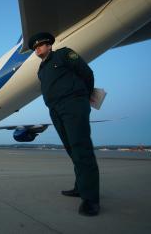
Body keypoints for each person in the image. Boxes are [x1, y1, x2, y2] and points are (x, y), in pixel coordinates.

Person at [30, 32, 100, 216]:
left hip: (73, 104)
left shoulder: (64, 54)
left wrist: (84, 96)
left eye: (41, 45)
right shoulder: (41, 69)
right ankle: (80, 187)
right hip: (55, 109)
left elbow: (87, 73)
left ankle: (91, 199)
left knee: (81, 147)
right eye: (35, 47)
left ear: (49, 45)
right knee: (71, 148)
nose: (37, 48)